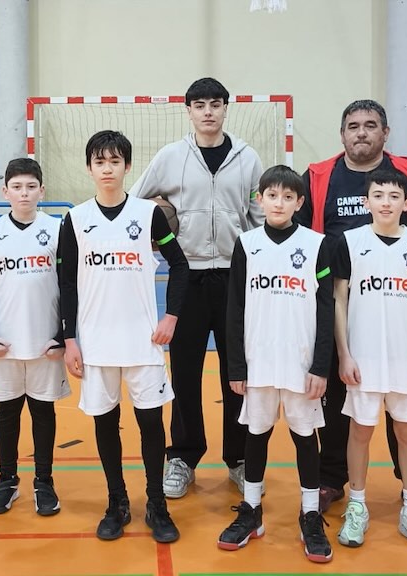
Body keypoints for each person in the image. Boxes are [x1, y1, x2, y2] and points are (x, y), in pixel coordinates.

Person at [299, 99, 407, 519]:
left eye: (370, 125)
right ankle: (332, 479)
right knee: (337, 397)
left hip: (397, 305)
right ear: (342, 134)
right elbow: (297, 237)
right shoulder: (318, 177)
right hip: (339, 304)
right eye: (353, 126)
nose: (361, 132)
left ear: (385, 133)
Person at [130, 77, 264, 499]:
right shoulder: (171, 156)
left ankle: (238, 459)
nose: (208, 111)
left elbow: (260, 216)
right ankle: (183, 457)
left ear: (226, 108)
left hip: (234, 277)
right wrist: (161, 226)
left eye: (215, 104)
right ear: (188, 110)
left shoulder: (247, 158)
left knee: (237, 372)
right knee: (185, 373)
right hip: (186, 277)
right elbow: (135, 203)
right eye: (200, 105)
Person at [59, 130, 189, 543]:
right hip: (96, 343)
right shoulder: (75, 219)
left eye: (115, 161)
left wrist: (171, 317)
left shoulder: (148, 214)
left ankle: (156, 503)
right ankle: (116, 501)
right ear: (89, 168)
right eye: (100, 162)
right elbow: (66, 282)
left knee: (151, 424)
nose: (108, 169)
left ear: (127, 166)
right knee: (105, 423)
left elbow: (180, 266)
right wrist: (69, 339)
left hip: (143, 342)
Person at [217, 166, 334, 563]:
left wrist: (321, 366)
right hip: (259, 361)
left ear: (299, 202)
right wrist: (236, 367)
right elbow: (235, 308)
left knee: (305, 437)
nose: (279, 203)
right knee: (256, 435)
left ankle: (310, 514)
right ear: (260, 199)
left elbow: (326, 308)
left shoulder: (316, 245)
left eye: (287, 197)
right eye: (272, 195)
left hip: (301, 364)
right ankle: (251, 511)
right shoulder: (247, 244)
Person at [332, 168, 407, 553]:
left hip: (406, 356)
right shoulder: (350, 242)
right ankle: (357, 505)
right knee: (360, 431)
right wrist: (344, 354)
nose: (386, 203)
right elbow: (339, 300)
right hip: (363, 357)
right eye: (378, 195)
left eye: (394, 197)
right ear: (366, 202)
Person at [0, 157, 68, 516]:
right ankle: (7, 479)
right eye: (17, 187)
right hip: (6, 343)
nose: (24, 193)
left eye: (31, 187)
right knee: (7, 412)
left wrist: (61, 335)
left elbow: (69, 285)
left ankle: (44, 480)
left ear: (42, 190)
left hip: (46, 343)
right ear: (5, 192)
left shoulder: (57, 229)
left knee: (43, 412)